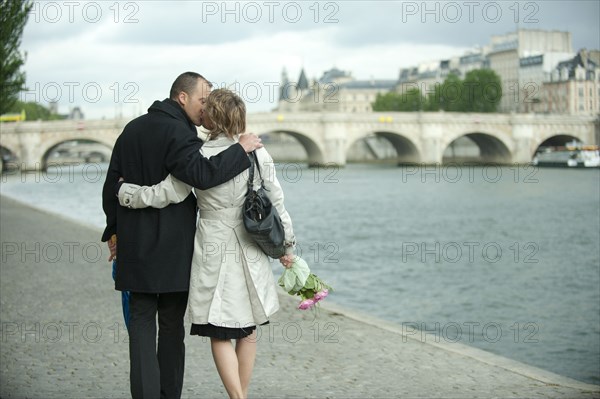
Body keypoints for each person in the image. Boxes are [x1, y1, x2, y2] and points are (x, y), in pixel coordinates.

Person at [116, 88, 296, 399]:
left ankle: (238, 397)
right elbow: (277, 204)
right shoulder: (259, 153)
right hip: (249, 247)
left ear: (211, 119)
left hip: (213, 247)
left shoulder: (197, 156)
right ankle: (241, 395)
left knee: (219, 330)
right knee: (249, 328)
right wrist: (288, 248)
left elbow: (165, 193)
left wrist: (126, 193)